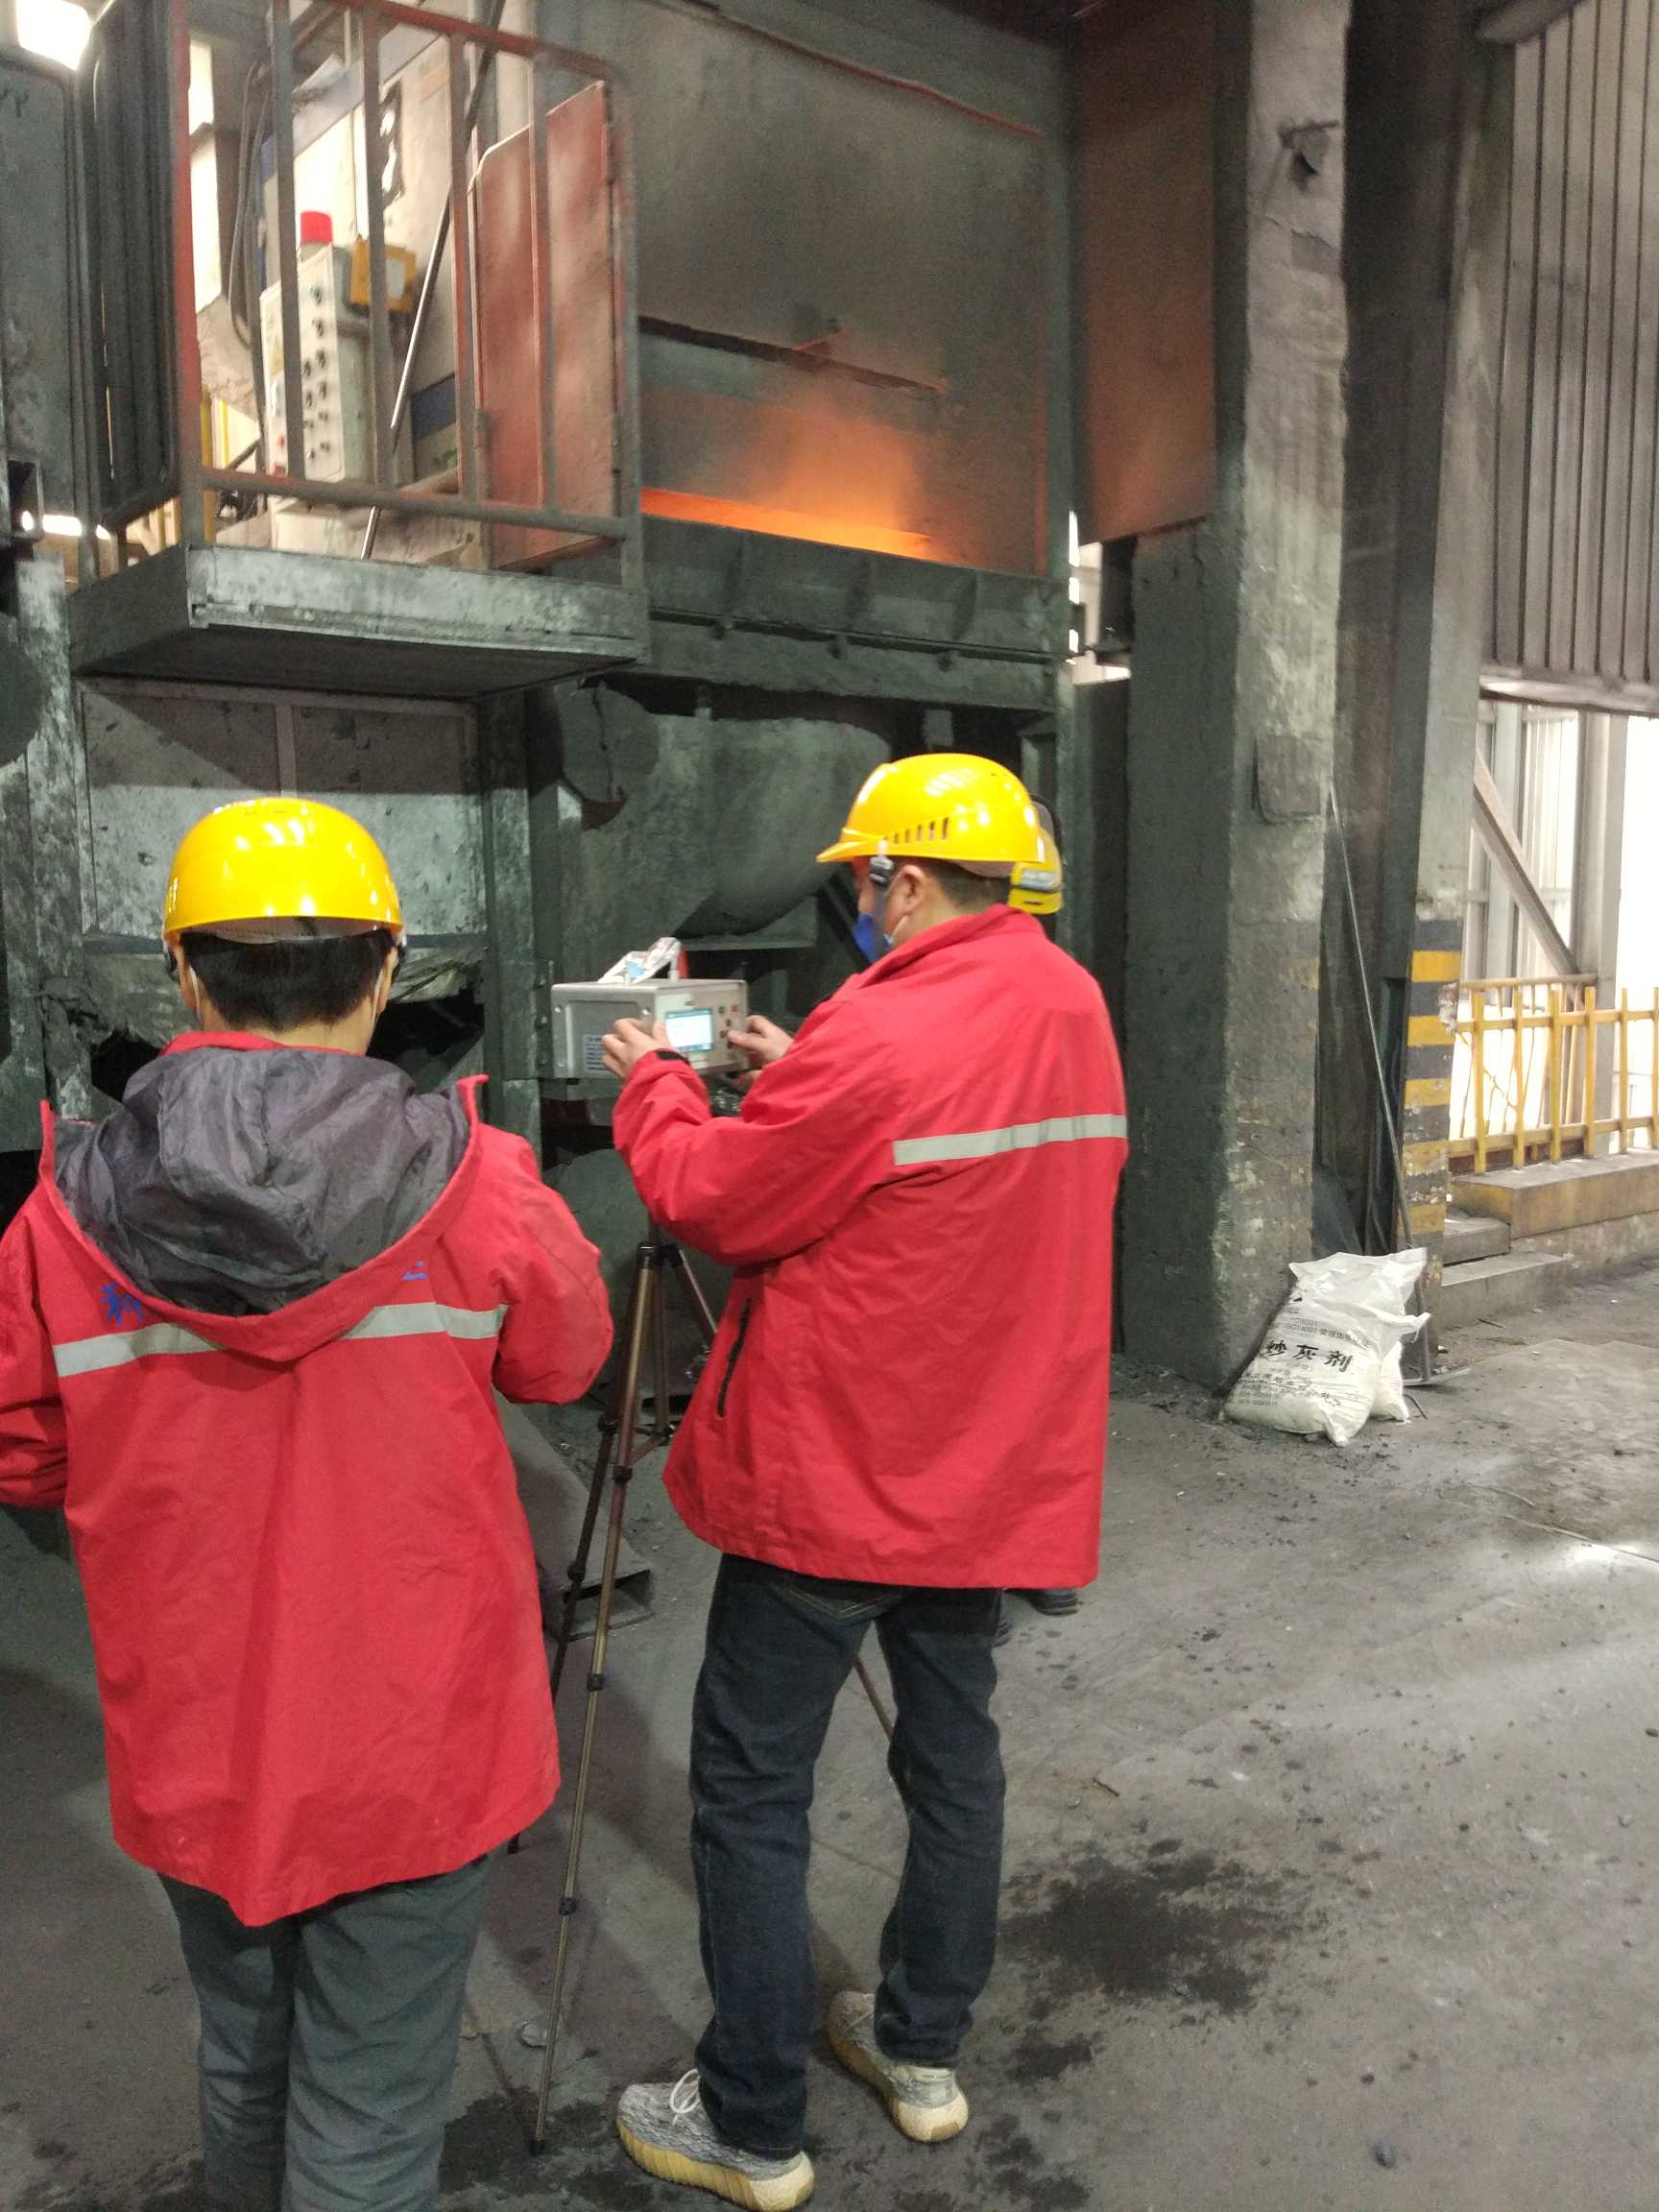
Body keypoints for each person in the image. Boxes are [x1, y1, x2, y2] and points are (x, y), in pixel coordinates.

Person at [0, 797, 612, 2212]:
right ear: (387, 970)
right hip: (420, 1745)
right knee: (371, 2114)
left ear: (183, 972)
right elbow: (565, 1360)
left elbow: (26, 1459)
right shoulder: (478, 1181)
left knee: (244, 2063)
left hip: (202, 1739)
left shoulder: (62, 1214)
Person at [600, 753, 1126, 2210]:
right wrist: (800, 1084)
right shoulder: (1070, 1004)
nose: (862, 903)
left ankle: (752, 2124)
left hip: (840, 1483)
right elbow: (944, 1164)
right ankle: (920, 2051)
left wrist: (658, 1084)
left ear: (901, 877)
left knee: (751, 1789)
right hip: (990, 1475)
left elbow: (711, 1196)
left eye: (866, 880)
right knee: (953, 1761)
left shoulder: (881, 1027)